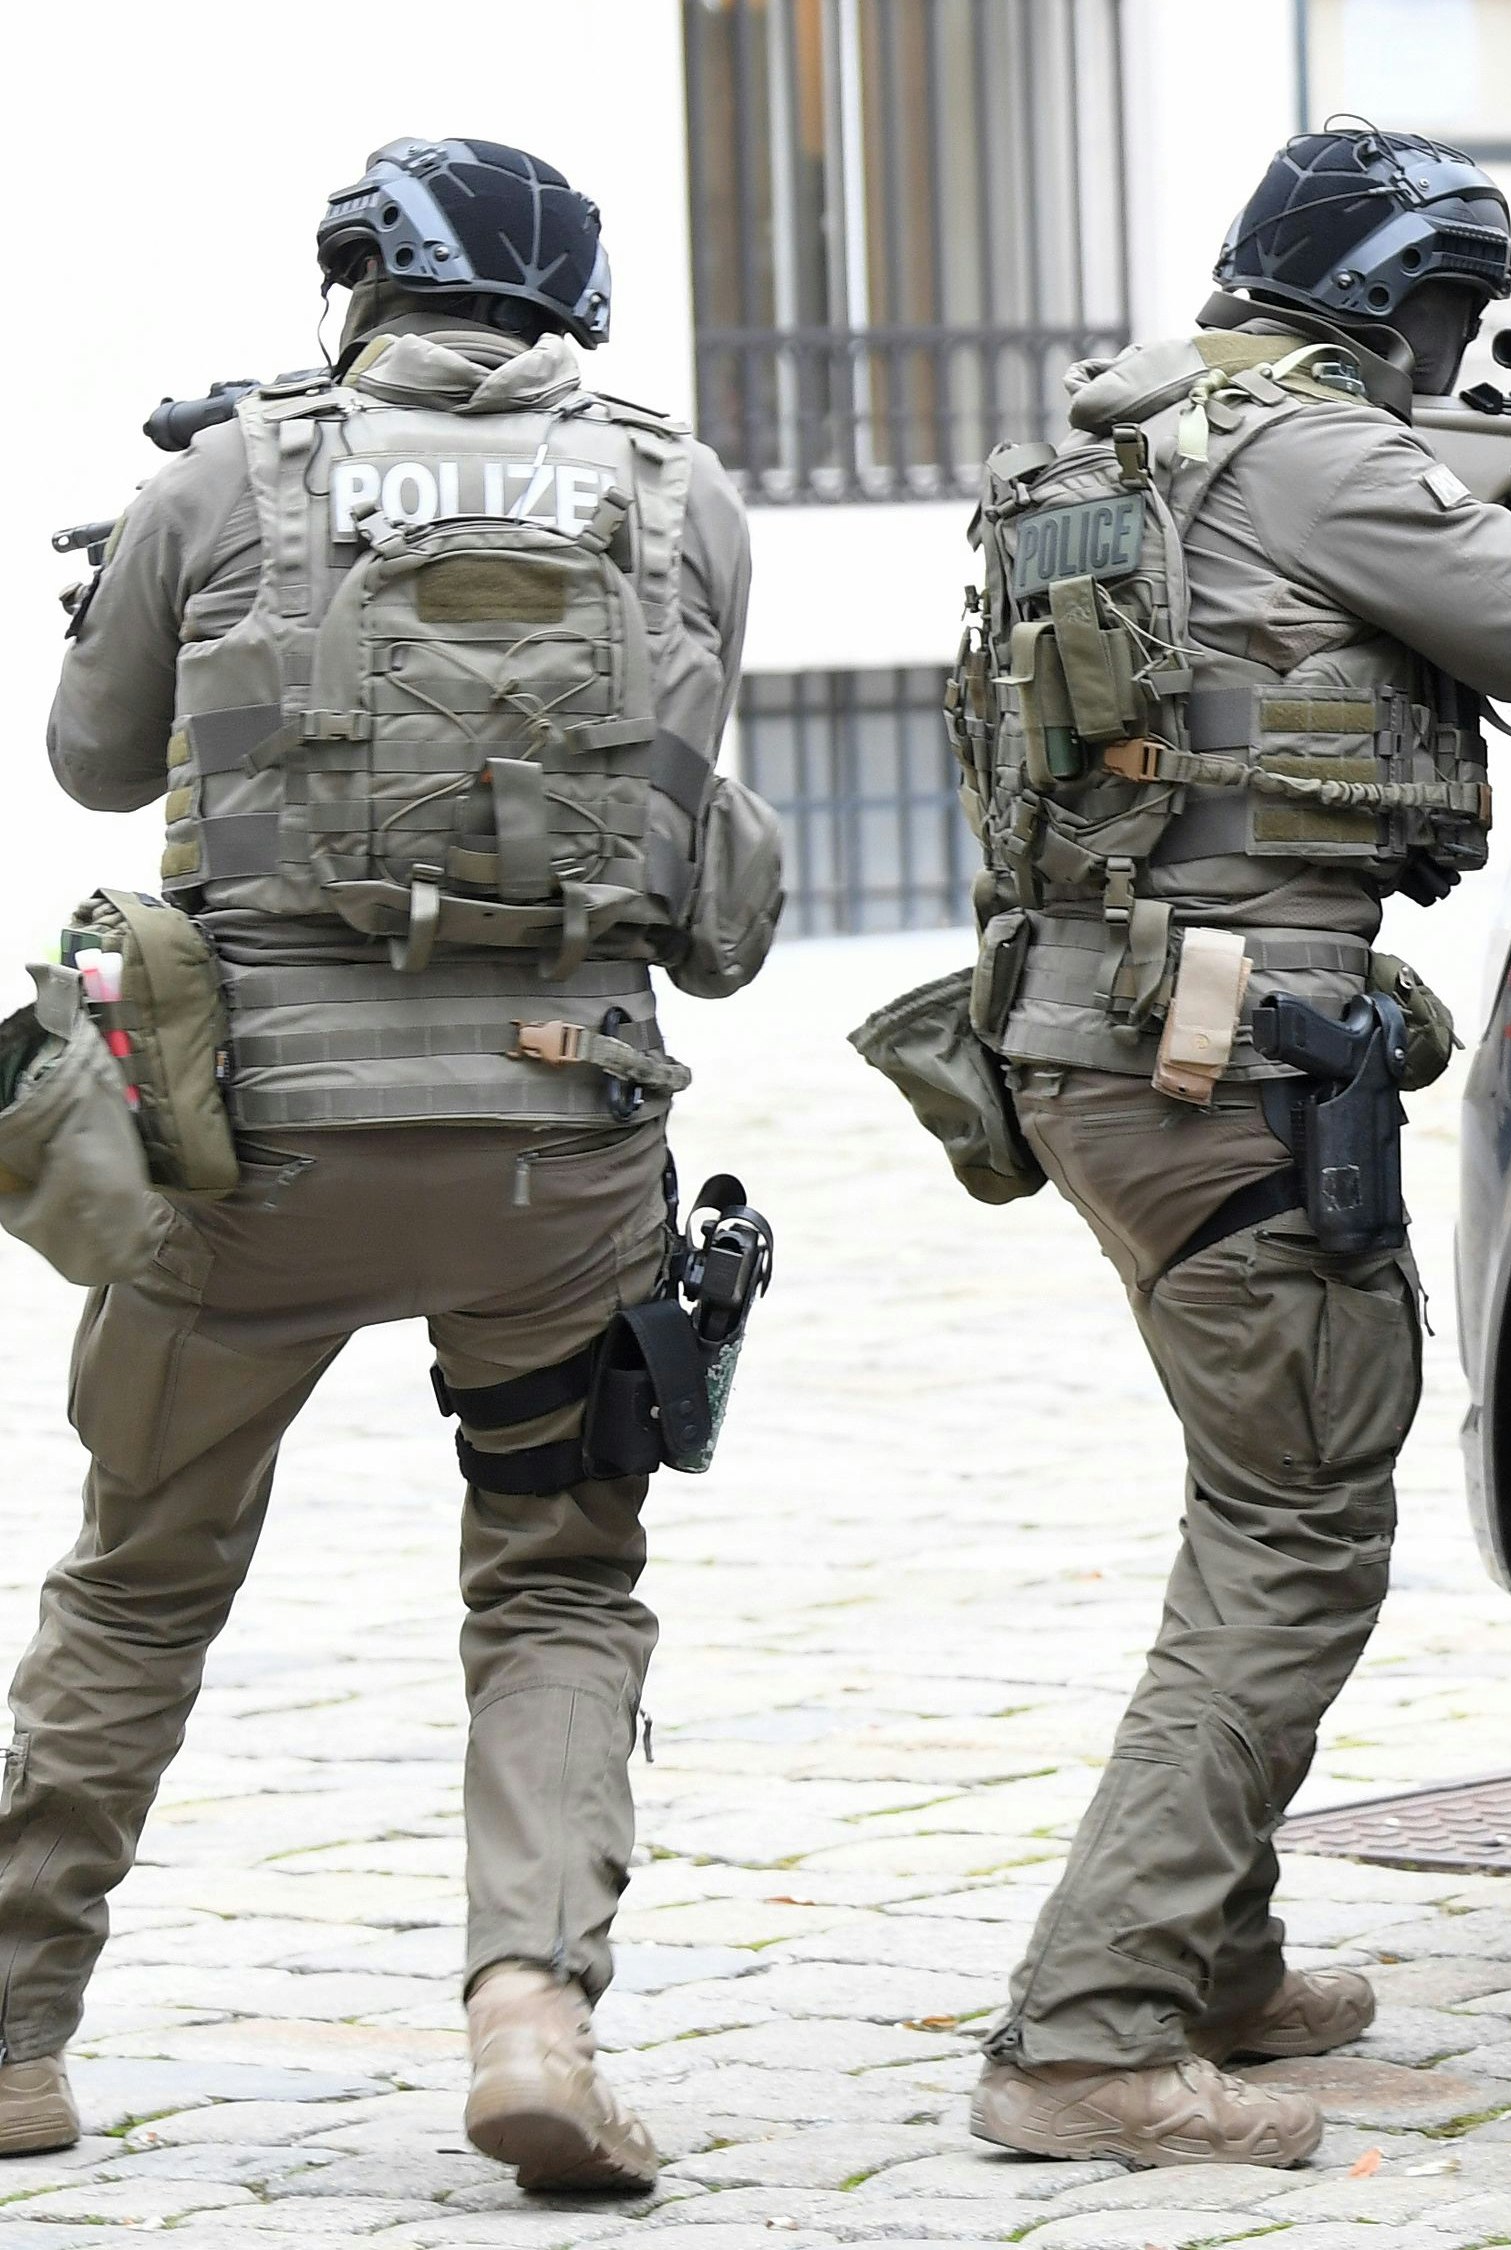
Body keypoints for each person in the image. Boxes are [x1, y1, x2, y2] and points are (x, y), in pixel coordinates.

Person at [21, 139, 782, 2188]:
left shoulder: (225, 476)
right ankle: (531, 2013)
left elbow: (94, 762)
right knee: (557, 1577)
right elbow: (686, 796)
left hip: (250, 1142)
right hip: (562, 1142)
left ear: (364, 284)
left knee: (136, 1587)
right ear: (569, 304)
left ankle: (8, 2037)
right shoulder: (680, 490)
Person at [950, 126, 1511, 2169]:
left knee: (1249, 1490)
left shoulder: (1127, 438)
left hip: (1099, 1038)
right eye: (1447, 312)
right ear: (1389, 300)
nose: (1454, 351)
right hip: (1228, 1059)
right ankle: (1089, 2034)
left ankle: (1217, 1961)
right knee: (1296, 1529)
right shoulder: (1316, 456)